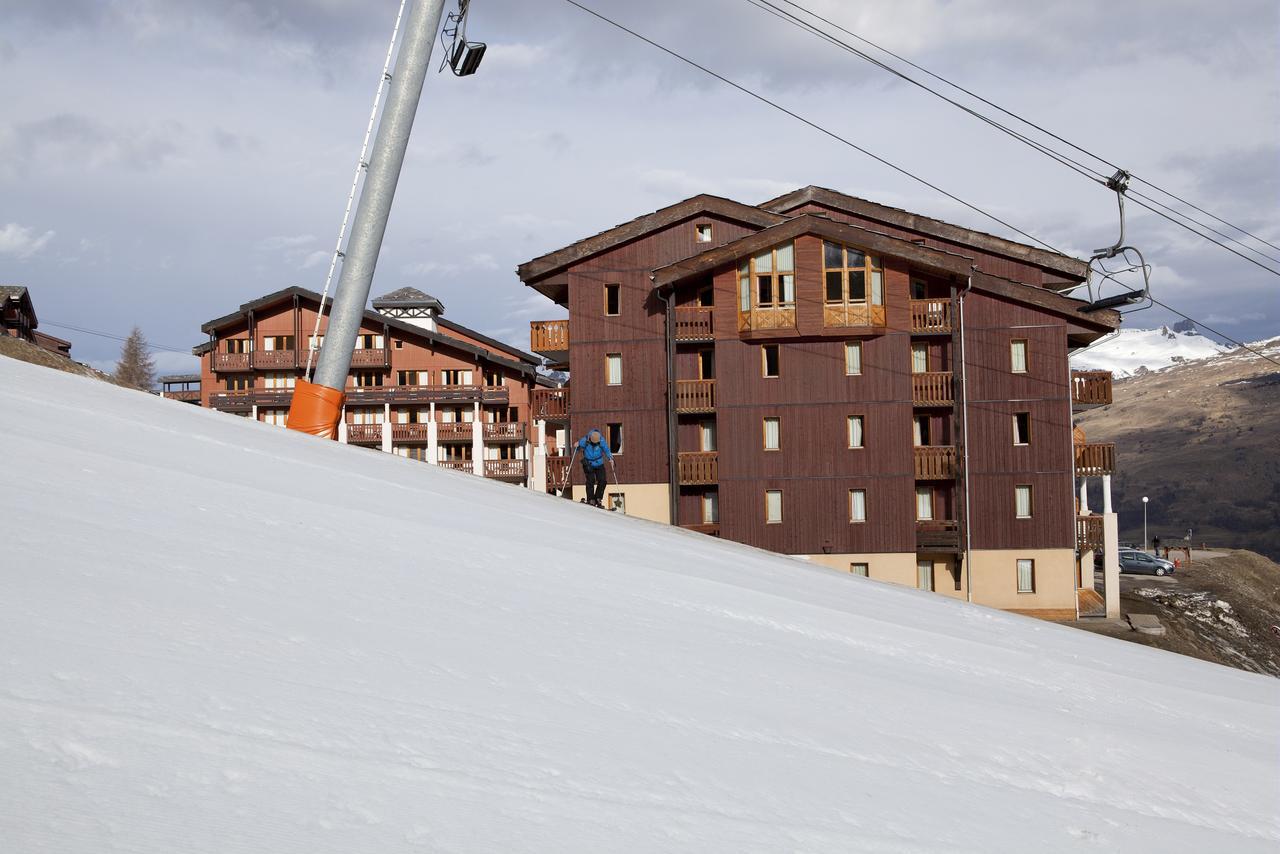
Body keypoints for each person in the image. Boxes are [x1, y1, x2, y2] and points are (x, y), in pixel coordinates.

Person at [576, 428, 613, 507]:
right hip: (588, 463)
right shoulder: (585, 440)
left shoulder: (601, 440)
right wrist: (577, 446)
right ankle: (590, 499)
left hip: (599, 463)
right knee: (590, 480)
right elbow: (577, 448)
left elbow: (606, 450)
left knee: (602, 480)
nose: (595, 444)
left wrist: (611, 458)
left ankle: (598, 498)